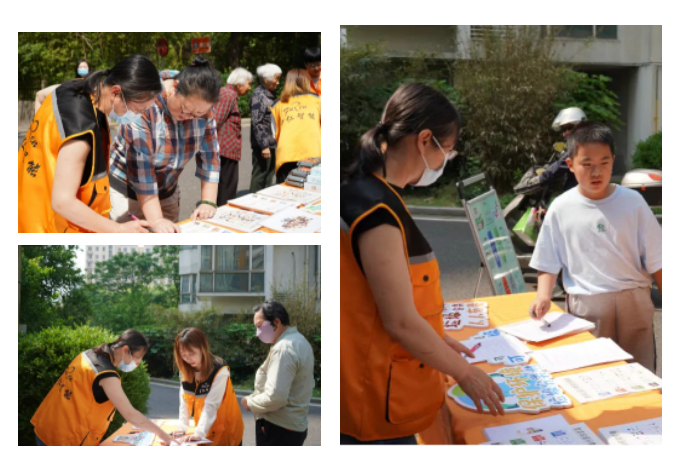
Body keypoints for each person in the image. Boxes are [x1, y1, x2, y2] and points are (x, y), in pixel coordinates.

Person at [340, 83, 505, 445]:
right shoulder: (377, 212)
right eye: (448, 150)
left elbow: (381, 297)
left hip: (374, 389)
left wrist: (437, 336)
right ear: (425, 140)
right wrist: (466, 374)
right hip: (372, 403)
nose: (446, 160)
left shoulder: (366, 190)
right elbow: (399, 321)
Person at [529, 121, 662, 371]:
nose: (596, 172)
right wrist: (543, 295)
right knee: (593, 372)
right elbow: (548, 259)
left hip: (634, 302)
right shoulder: (561, 207)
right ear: (571, 165)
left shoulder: (633, 203)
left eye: (604, 163)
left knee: (640, 372)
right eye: (587, 164)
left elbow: (659, 258)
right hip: (586, 305)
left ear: (613, 161)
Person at [19, 55, 161, 233]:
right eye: (138, 110)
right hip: (48, 227)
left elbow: (42, 97)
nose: (138, 116)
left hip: (28, 203)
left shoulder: (75, 87)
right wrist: (118, 229)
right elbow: (62, 201)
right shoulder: (81, 127)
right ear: (115, 93)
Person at [108, 56, 222, 232]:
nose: (189, 117)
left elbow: (210, 156)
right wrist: (156, 219)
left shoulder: (203, 108)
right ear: (175, 88)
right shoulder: (145, 102)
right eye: (186, 110)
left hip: (167, 189)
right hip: (127, 190)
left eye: (197, 115)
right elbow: (142, 170)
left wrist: (208, 202)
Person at [31, 329, 173, 446]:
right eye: (137, 357)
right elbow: (130, 414)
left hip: (47, 424)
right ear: (125, 350)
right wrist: (163, 435)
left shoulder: (89, 354)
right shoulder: (106, 374)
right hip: (65, 438)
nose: (138, 363)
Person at [241, 301, 315, 446]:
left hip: (277, 428)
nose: (257, 332)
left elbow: (275, 397)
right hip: (293, 426)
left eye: (259, 326)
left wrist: (249, 402)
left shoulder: (283, 349)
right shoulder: (300, 341)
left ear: (276, 322)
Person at [173, 328, 244, 446]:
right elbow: (184, 401)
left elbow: (211, 405)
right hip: (205, 431)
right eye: (183, 354)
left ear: (202, 348)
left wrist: (199, 433)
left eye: (192, 353)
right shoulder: (185, 369)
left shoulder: (219, 370)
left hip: (226, 431)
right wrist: (182, 427)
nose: (187, 359)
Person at [270, 69, 321, 183]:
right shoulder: (318, 100)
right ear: (307, 81)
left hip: (286, 155)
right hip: (313, 153)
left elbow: (274, 132)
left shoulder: (277, 104)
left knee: (286, 190)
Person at [213, 67, 253, 206]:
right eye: (248, 83)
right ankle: (223, 213)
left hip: (225, 149)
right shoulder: (228, 94)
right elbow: (216, 121)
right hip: (225, 150)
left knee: (224, 186)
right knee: (227, 188)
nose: (249, 88)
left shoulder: (227, 93)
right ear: (239, 83)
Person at [250, 63, 282, 193]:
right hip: (263, 145)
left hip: (270, 143)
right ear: (266, 79)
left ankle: (264, 199)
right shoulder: (259, 96)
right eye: (276, 79)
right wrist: (264, 146)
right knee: (260, 176)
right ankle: (252, 201)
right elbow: (257, 122)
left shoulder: (268, 94)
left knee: (268, 176)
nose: (278, 82)